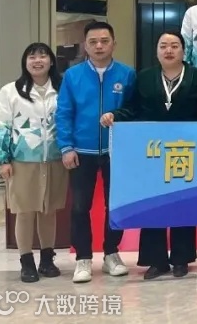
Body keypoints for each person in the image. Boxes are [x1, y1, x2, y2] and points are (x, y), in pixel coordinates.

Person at [102, 31, 197, 279]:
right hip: (152, 151)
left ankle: (181, 258)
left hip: (186, 150)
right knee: (153, 203)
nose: (169, 50)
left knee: (183, 203)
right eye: (163, 46)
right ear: (156, 51)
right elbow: (132, 108)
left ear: (184, 50)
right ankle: (156, 260)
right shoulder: (144, 77)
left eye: (174, 46)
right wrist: (115, 116)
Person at [57, 21, 136, 283]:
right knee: (81, 206)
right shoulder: (73, 76)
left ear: (114, 43)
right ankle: (83, 258)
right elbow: (64, 113)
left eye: (104, 41)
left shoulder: (127, 74)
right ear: (85, 46)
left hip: (117, 152)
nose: (99, 46)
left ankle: (111, 253)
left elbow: (133, 110)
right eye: (93, 42)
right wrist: (66, 147)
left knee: (115, 205)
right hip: (82, 150)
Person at [0, 43, 68, 283]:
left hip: (55, 159)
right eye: (32, 57)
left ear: (51, 61)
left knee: (49, 211)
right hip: (22, 161)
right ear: (25, 62)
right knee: (25, 212)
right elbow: (2, 126)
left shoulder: (62, 89)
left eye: (43, 56)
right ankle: (26, 261)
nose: (37, 61)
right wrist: (3, 159)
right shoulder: (10, 91)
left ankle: (47, 259)